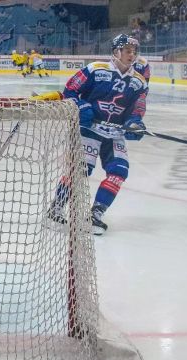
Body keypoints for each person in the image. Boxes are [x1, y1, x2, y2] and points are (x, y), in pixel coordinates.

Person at [47, 34, 148, 235]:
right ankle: (56, 208)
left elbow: (138, 106)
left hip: (115, 133)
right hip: (89, 128)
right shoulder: (95, 69)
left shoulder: (139, 82)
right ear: (116, 52)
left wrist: (135, 122)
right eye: (127, 50)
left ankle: (95, 215)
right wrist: (81, 106)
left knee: (119, 171)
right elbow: (70, 90)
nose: (132, 54)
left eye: (134, 51)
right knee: (81, 169)